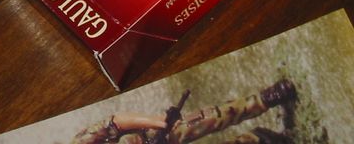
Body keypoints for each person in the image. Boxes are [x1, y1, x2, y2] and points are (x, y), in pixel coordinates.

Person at [71, 79, 297, 144]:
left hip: (153, 136)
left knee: (208, 119)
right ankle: (260, 139)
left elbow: (116, 122)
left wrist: (157, 122)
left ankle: (267, 98)